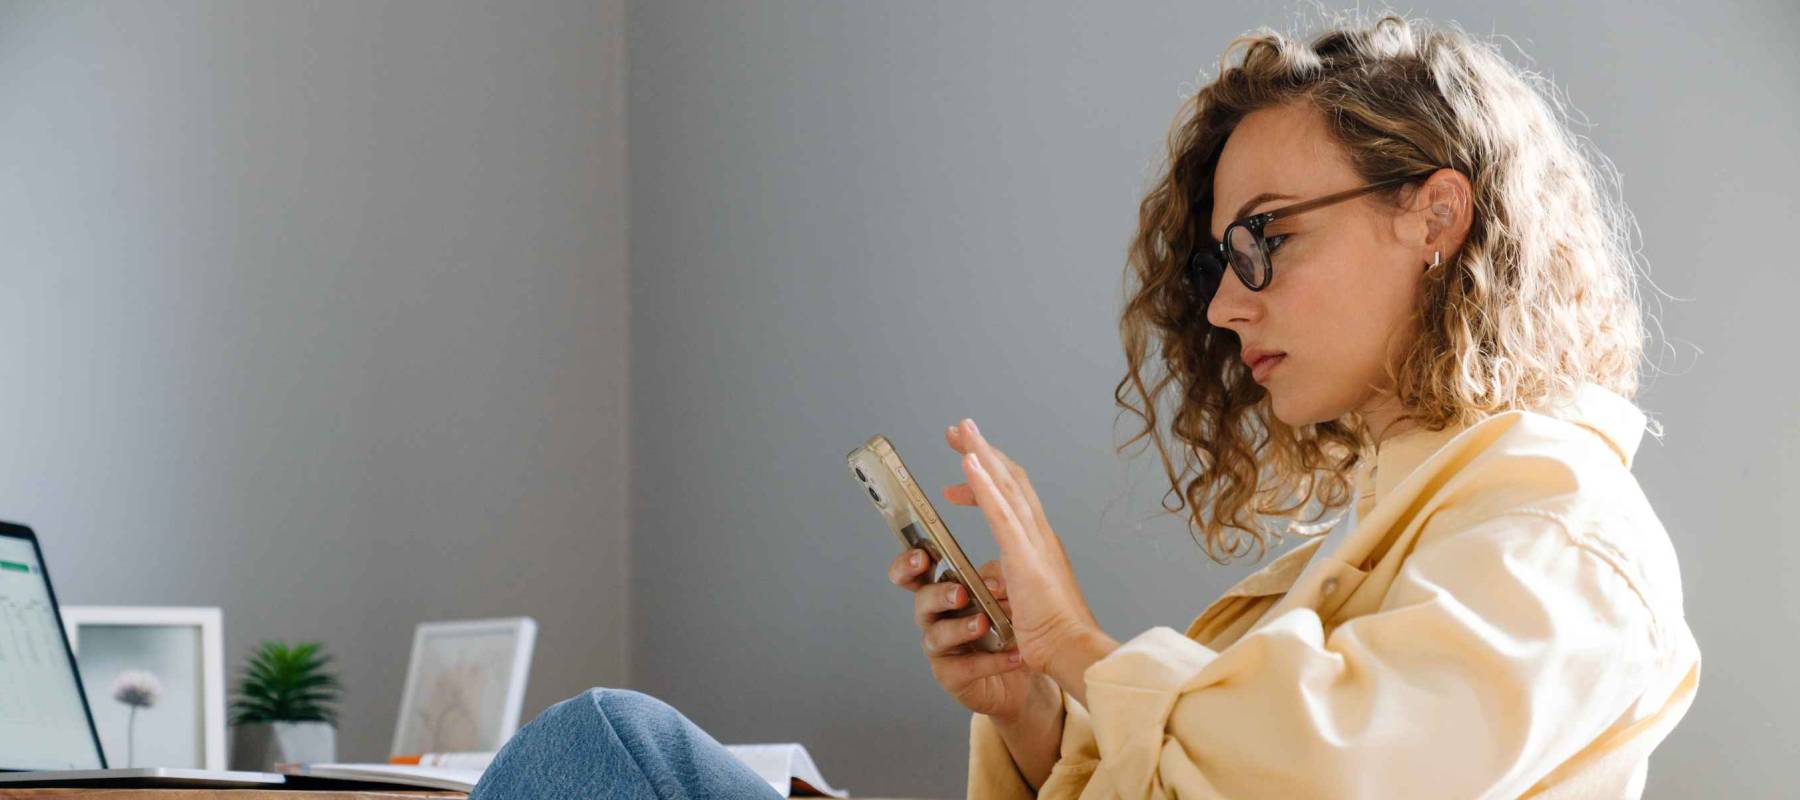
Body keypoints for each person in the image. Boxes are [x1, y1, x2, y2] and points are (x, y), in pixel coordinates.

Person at [471, 11, 1698, 800]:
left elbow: (1323, 782)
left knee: (610, 754)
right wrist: (1036, 707)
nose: (1225, 308)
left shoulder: (1562, 535)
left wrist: (1088, 654)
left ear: (1434, 217)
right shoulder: (1415, 515)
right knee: (609, 752)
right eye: (1221, 261)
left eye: (1263, 240)